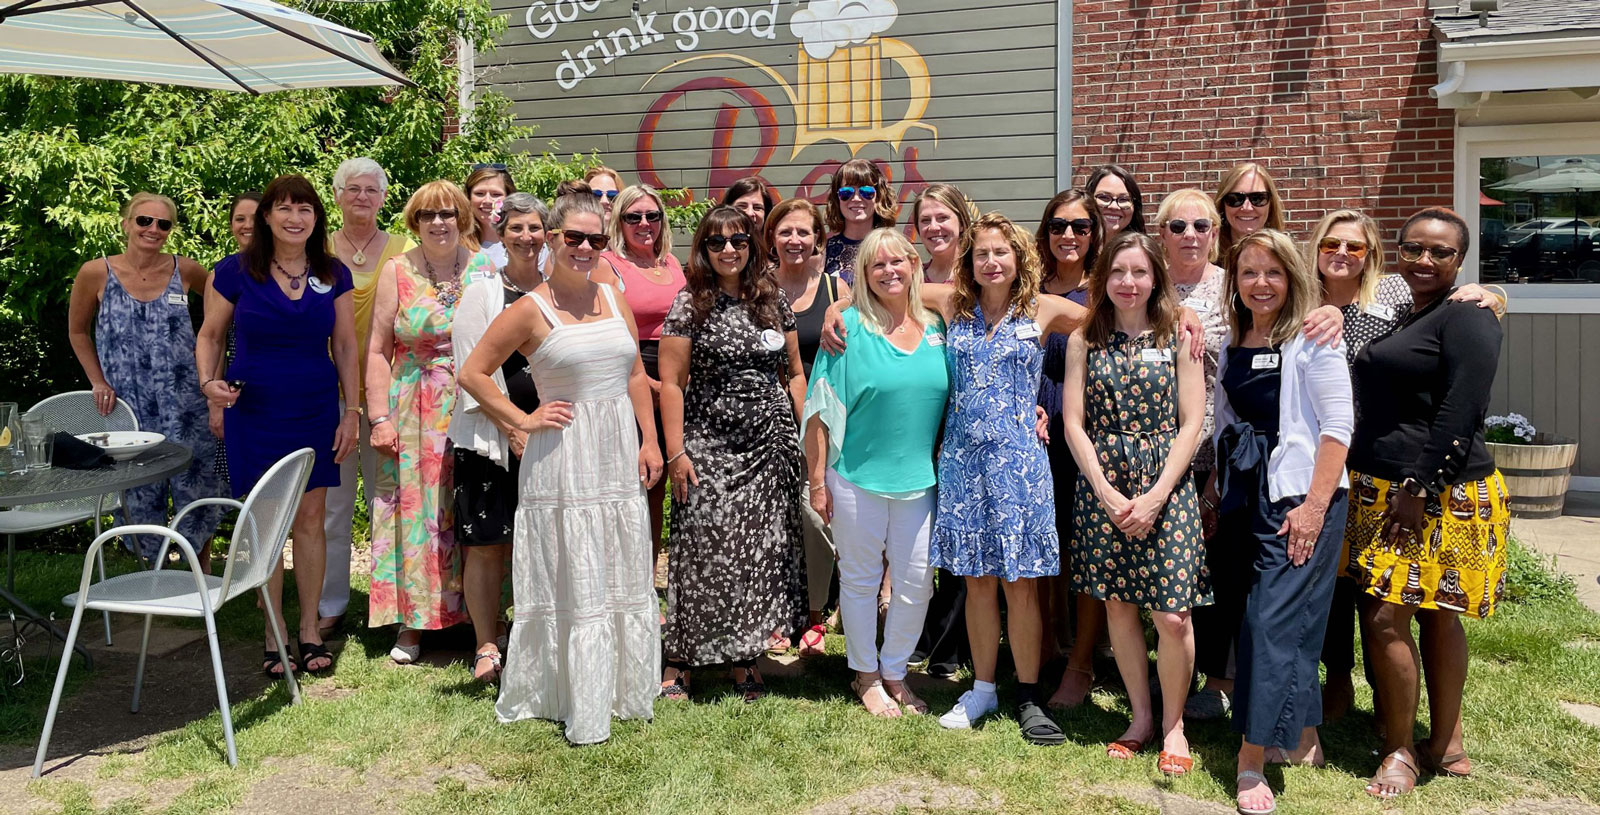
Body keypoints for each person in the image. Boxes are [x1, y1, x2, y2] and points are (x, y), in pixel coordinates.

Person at [458, 192, 664, 745]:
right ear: (551, 238)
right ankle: (566, 688)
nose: (584, 248)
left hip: (616, 448)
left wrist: (649, 441)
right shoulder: (529, 308)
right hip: (563, 455)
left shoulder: (613, 295)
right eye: (573, 237)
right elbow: (473, 374)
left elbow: (634, 377)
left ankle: (620, 687)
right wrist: (521, 420)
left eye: (596, 240)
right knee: (571, 564)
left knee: (616, 559)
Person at [1307, 209, 1505, 723]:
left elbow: (1462, 391)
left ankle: (1412, 726)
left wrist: (1497, 295)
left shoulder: (1394, 296)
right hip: (1340, 466)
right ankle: (1342, 691)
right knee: (1345, 594)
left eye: (1441, 252)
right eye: (1331, 244)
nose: (1425, 259)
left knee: (1412, 610)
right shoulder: (1299, 294)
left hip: (1413, 479)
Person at [1200, 229, 1352, 815]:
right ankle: (1304, 735)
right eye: (1248, 273)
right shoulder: (1236, 335)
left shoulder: (1314, 337)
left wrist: (1313, 508)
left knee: (1273, 621)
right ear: (1233, 282)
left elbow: (1338, 429)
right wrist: (1216, 488)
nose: (1260, 284)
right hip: (1244, 491)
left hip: (1298, 495)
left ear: (1291, 278)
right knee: (1265, 616)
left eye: (1272, 273)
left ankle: (1252, 757)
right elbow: (1228, 416)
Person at [196, 174, 360, 677]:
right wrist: (209, 384)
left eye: (305, 209)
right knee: (265, 526)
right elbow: (210, 335)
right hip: (256, 412)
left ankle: (310, 630)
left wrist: (351, 411)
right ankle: (274, 632)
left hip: (314, 411)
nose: (295, 218)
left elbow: (347, 347)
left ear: (317, 218)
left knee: (311, 521)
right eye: (284, 208)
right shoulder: (234, 271)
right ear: (266, 216)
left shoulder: (333, 273)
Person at [1064, 231, 1208, 774]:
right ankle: (1142, 718)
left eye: (1140, 272)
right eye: (1118, 272)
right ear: (1104, 279)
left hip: (1165, 486)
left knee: (1171, 614)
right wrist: (1103, 488)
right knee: (1118, 605)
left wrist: (1156, 495)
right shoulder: (1085, 339)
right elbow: (1074, 422)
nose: (1128, 282)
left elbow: (1191, 421)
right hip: (1102, 485)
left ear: (1156, 279)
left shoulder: (1178, 335)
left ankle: (1175, 724)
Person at [658, 206, 808, 702]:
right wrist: (676, 451)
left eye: (739, 242)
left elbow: (793, 371)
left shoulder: (772, 299)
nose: (729, 251)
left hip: (768, 443)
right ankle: (679, 661)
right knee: (702, 548)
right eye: (717, 243)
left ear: (752, 246)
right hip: (709, 442)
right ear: (702, 249)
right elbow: (673, 385)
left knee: (757, 554)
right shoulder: (689, 303)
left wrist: (803, 430)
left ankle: (744, 660)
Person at [804, 227, 947, 717]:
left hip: (920, 482)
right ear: (863, 275)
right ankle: (865, 675)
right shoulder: (847, 328)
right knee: (861, 579)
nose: (889, 271)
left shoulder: (936, 327)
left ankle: (896, 671)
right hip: (855, 477)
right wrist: (818, 480)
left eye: (897, 262)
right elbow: (820, 410)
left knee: (916, 580)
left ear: (913, 265)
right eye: (876, 264)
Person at [367, 181, 490, 663]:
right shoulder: (396, 270)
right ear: (414, 222)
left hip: (476, 404)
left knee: (475, 508)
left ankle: (481, 619)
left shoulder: (486, 266)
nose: (438, 222)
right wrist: (379, 417)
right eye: (427, 215)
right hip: (414, 408)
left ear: (462, 217)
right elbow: (377, 350)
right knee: (417, 514)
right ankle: (413, 624)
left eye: (447, 213)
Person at [68, 192, 225, 565]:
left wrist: (212, 373)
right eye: (144, 221)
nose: (153, 229)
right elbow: (77, 332)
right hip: (128, 403)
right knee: (138, 492)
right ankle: (150, 577)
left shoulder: (186, 270)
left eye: (163, 223)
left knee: (196, 485)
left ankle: (197, 575)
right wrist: (98, 381)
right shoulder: (96, 272)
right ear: (126, 223)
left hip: (186, 402)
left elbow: (223, 315)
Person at [448, 192, 548, 683]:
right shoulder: (482, 291)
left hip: (550, 437)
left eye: (534, 228)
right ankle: (486, 643)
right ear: (500, 236)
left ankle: (534, 636)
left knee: (540, 541)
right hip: (490, 438)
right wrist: (514, 427)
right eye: (516, 229)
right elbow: (470, 373)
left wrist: (533, 430)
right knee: (486, 542)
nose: (527, 237)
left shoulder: (556, 290)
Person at [321, 158, 408, 640]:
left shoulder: (403, 248)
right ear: (336, 195)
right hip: (328, 397)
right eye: (352, 188)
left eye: (371, 189)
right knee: (332, 506)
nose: (361, 197)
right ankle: (330, 603)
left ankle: (389, 606)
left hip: (387, 400)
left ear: (383, 197)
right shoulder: (316, 249)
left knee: (388, 503)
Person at [1032, 189, 1104, 709]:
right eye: (1059, 225)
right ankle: (1046, 646)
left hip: (1086, 427)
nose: (1069, 236)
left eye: (1080, 227)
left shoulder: (1108, 287)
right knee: (1043, 546)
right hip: (1034, 426)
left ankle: (1083, 660)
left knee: (1083, 550)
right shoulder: (1029, 286)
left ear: (1095, 234)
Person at [768, 197, 846, 657]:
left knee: (818, 515)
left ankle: (818, 611)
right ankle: (778, 614)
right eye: (785, 232)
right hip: (768, 421)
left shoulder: (838, 287)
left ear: (819, 237)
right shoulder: (756, 289)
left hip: (829, 421)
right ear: (771, 238)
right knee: (775, 520)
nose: (795, 240)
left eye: (804, 232)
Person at [602, 184, 685, 568]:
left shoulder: (671, 263)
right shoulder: (607, 264)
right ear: (619, 221)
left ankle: (647, 585)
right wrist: (648, 383)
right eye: (633, 216)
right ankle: (625, 581)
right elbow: (613, 328)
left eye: (652, 215)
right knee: (636, 482)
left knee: (663, 485)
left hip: (676, 381)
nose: (644, 224)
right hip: (632, 377)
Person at [211, 191, 262, 485]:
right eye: (239, 219)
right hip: (236, 392)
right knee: (245, 486)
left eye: (254, 218)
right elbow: (213, 340)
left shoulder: (291, 269)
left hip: (282, 390)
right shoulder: (225, 271)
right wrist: (215, 404)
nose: (247, 225)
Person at [824, 158, 896, 285]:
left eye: (866, 192)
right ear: (837, 198)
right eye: (847, 192)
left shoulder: (894, 247)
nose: (856, 198)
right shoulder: (824, 252)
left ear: (879, 196)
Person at [1214, 162, 1285, 258]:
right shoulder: (1204, 261)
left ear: (1271, 204)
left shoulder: (1286, 259)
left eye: (1257, 198)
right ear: (1222, 205)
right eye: (1236, 199)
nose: (1247, 208)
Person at [913, 184, 974, 285]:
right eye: (925, 220)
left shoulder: (979, 278)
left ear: (961, 223)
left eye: (942, 218)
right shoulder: (911, 281)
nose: (933, 227)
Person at [465, 165, 515, 267]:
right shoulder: (454, 244)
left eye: (496, 194)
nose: (487, 200)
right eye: (480, 193)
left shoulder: (526, 240)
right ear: (468, 198)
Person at [1085, 165, 1145, 237]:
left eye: (1123, 199)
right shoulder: (1072, 245)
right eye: (1104, 197)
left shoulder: (1142, 247)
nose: (1114, 206)